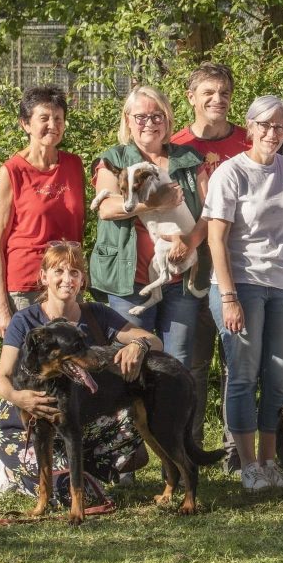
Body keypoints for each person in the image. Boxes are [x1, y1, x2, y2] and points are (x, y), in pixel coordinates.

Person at [0, 243, 161, 498]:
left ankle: (74, 470)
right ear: (44, 276)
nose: (66, 279)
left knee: (127, 418)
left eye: (74, 272)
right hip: (27, 414)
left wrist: (139, 344)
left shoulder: (97, 314)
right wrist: (19, 397)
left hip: (74, 414)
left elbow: (155, 342)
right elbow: (1, 378)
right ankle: (14, 469)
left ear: (83, 280)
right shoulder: (25, 320)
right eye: (58, 271)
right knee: (59, 491)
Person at [204, 95, 283, 492]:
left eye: (280, 127)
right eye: (265, 125)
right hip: (240, 284)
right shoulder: (231, 173)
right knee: (243, 375)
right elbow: (215, 240)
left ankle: (269, 460)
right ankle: (247, 465)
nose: (272, 133)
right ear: (249, 127)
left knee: (279, 378)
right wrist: (229, 297)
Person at [90, 86, 209, 369]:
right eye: (141, 117)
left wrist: (191, 241)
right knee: (130, 361)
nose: (149, 123)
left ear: (168, 121)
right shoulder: (114, 159)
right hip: (127, 279)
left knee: (178, 362)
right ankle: (134, 415)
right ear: (128, 120)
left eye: (157, 116)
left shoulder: (189, 159)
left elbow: (211, 212)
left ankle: (173, 414)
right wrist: (155, 202)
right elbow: (107, 209)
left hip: (180, 281)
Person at [170, 61, 247, 468]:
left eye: (224, 92)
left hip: (242, 268)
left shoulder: (252, 141)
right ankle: (192, 444)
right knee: (195, 363)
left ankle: (235, 448)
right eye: (208, 92)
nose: (218, 99)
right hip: (193, 274)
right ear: (191, 97)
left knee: (237, 361)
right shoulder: (175, 146)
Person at [0, 86, 84, 338]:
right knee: (29, 368)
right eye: (44, 118)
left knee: (71, 363)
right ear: (25, 124)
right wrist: (1, 308)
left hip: (67, 283)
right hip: (27, 288)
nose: (52, 125)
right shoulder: (12, 172)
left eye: (58, 119)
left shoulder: (74, 165)